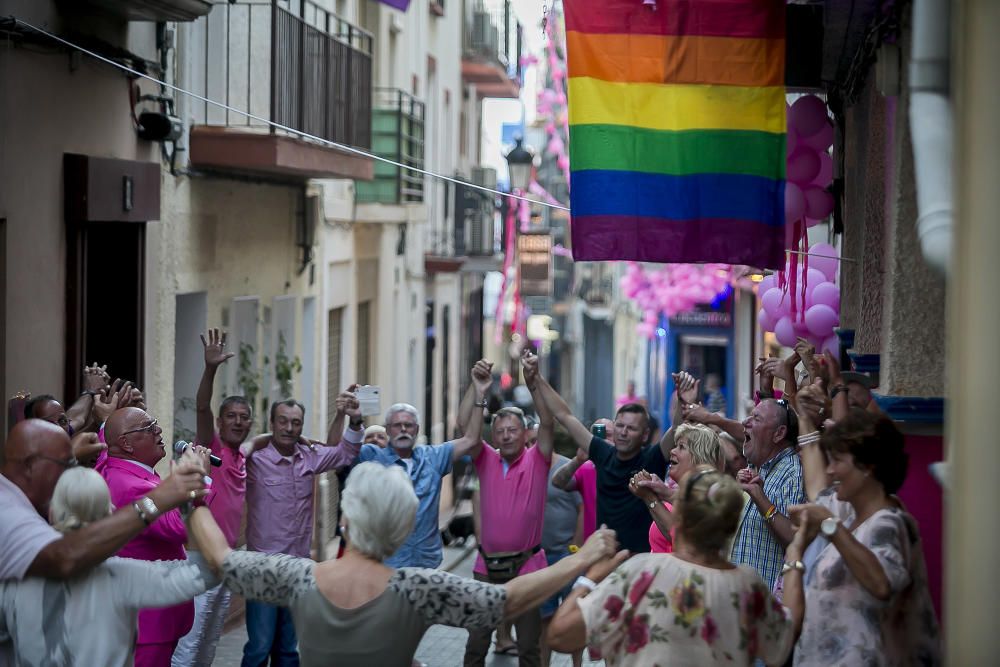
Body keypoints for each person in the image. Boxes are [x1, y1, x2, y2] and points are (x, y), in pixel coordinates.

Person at [188, 461, 623, 667]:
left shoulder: (299, 577)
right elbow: (504, 602)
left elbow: (221, 559)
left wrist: (191, 489)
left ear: (345, 517)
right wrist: (581, 560)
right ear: (400, 529)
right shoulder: (418, 589)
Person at [547, 466, 794, 666]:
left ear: (679, 515)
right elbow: (780, 647)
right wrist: (796, 555)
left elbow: (560, 635)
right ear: (731, 526)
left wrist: (589, 578)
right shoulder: (748, 585)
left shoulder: (642, 572)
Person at [0, 464, 217, 667]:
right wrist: (192, 497)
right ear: (109, 514)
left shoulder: (12, 585)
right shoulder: (124, 577)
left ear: (52, 513)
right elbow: (207, 570)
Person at [782, 408, 941, 666]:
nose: (830, 470)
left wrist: (830, 527)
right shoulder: (847, 512)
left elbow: (881, 584)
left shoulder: (889, 522)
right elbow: (816, 492)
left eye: (837, 461)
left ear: (867, 466)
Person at [241, 397, 363, 667]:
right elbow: (228, 455)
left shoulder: (309, 457)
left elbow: (345, 452)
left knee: (287, 650)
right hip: (262, 569)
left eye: (296, 423)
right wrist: (259, 439)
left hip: (298, 569)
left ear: (302, 426)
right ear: (272, 423)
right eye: (282, 421)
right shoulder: (254, 459)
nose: (289, 428)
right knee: (259, 648)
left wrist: (353, 419)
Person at [352, 359, 496, 569]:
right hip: (385, 566)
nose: (403, 430)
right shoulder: (372, 456)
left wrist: (479, 391)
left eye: (408, 425)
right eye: (397, 425)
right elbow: (341, 452)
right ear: (387, 429)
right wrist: (351, 419)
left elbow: (472, 439)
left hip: (425, 565)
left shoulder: (433, 457)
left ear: (417, 430)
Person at [463, 353, 555, 667]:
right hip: (486, 567)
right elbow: (467, 430)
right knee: (475, 645)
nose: (505, 436)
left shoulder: (537, 458)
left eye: (512, 430)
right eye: (500, 431)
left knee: (529, 648)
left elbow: (548, 420)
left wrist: (534, 383)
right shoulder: (485, 457)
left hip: (527, 568)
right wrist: (478, 391)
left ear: (525, 433)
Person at [172, 329, 254, 667]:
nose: (237, 421)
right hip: (198, 558)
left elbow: (259, 442)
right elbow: (202, 407)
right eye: (231, 416)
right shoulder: (213, 448)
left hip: (227, 560)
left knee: (209, 641)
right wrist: (211, 370)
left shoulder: (241, 455)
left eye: (243, 417)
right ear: (220, 423)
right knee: (189, 644)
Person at [98, 407, 200, 667]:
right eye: (148, 428)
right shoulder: (131, 485)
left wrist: (103, 425)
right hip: (150, 618)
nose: (158, 430)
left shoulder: (113, 468)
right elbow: (180, 528)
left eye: (155, 423)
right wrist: (198, 479)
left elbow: (103, 455)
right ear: (125, 444)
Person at [538, 362, 669, 554]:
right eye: (620, 426)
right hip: (603, 559)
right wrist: (538, 379)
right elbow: (564, 416)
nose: (623, 432)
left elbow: (675, 433)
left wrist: (685, 404)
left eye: (631, 428)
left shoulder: (652, 457)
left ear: (644, 434)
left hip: (640, 561)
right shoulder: (602, 454)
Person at [686, 397, 805, 589]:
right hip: (741, 596)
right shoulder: (760, 465)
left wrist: (760, 499)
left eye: (756, 419)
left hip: (766, 602)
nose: (745, 422)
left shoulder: (793, 472)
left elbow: (795, 539)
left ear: (779, 433)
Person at [628, 423, 724, 553]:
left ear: (700, 459)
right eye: (675, 446)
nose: (672, 451)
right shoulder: (674, 496)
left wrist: (650, 498)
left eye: (681, 447)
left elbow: (683, 542)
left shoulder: (711, 496)